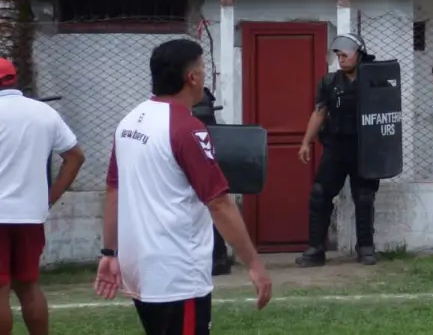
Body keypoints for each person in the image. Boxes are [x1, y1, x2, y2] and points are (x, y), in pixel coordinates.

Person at [94, 39, 271, 334]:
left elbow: (114, 189)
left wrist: (109, 252)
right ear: (192, 77)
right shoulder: (187, 129)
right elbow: (218, 203)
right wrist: (253, 263)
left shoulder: (128, 122)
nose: (204, 74)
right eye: (202, 68)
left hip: (139, 268)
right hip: (176, 274)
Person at [0, 58, 86, 335]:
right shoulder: (44, 113)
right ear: (14, 78)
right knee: (28, 285)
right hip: (30, 215)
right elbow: (75, 157)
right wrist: (49, 197)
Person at [296, 33, 380, 267]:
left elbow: (388, 113)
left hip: (364, 147)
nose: (341, 59)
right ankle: (315, 249)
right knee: (320, 194)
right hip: (336, 146)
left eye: (345, 55)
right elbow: (319, 112)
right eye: (338, 55)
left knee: (364, 197)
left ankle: (365, 248)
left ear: (359, 55)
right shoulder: (329, 82)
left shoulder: (374, 79)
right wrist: (306, 142)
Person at [190, 87, 232, 276]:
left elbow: (204, 130)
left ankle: (219, 257)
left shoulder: (199, 94)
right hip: (190, 162)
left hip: (202, 162)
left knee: (211, 207)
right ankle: (216, 257)